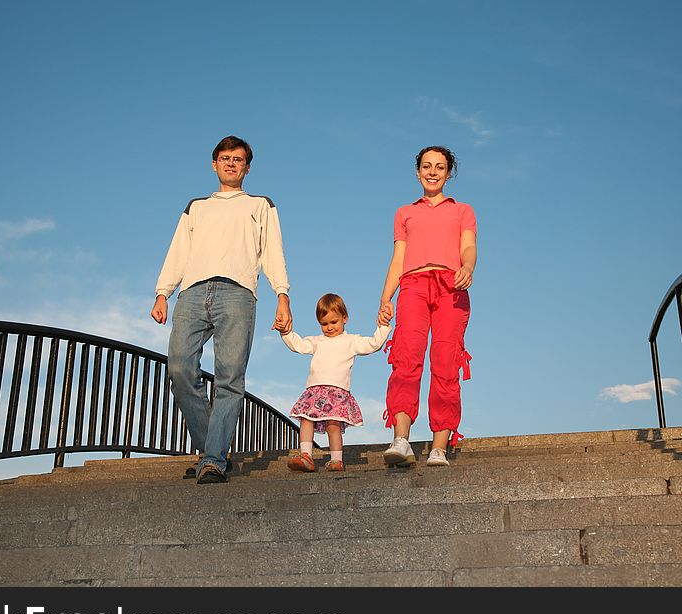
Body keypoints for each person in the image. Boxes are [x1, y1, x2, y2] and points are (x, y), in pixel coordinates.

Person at [150, 135, 292, 484]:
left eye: (238, 159)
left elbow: (272, 251)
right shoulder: (197, 206)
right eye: (225, 158)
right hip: (193, 293)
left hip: (238, 294)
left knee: (229, 377)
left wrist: (282, 294)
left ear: (247, 167)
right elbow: (178, 251)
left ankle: (212, 459)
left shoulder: (260, 205)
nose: (231, 163)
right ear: (214, 164)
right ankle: (211, 449)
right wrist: (162, 293)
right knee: (180, 370)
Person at [377, 145, 477, 467]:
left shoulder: (463, 211)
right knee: (406, 358)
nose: (432, 171)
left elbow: (469, 247)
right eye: (426, 166)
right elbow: (398, 258)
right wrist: (385, 297)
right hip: (414, 286)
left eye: (440, 167)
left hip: (451, 286)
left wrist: (468, 268)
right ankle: (401, 440)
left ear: (449, 173)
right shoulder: (405, 212)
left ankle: (439, 447)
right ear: (418, 171)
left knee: (446, 363)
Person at [281, 293, 391, 473]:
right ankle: (306, 455)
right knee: (306, 418)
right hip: (315, 390)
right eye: (324, 324)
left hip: (337, 391)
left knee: (334, 425)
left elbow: (373, 344)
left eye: (334, 322)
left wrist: (383, 327)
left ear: (344, 318)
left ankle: (336, 460)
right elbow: (298, 345)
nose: (329, 327)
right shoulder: (317, 341)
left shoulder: (351, 341)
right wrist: (286, 333)